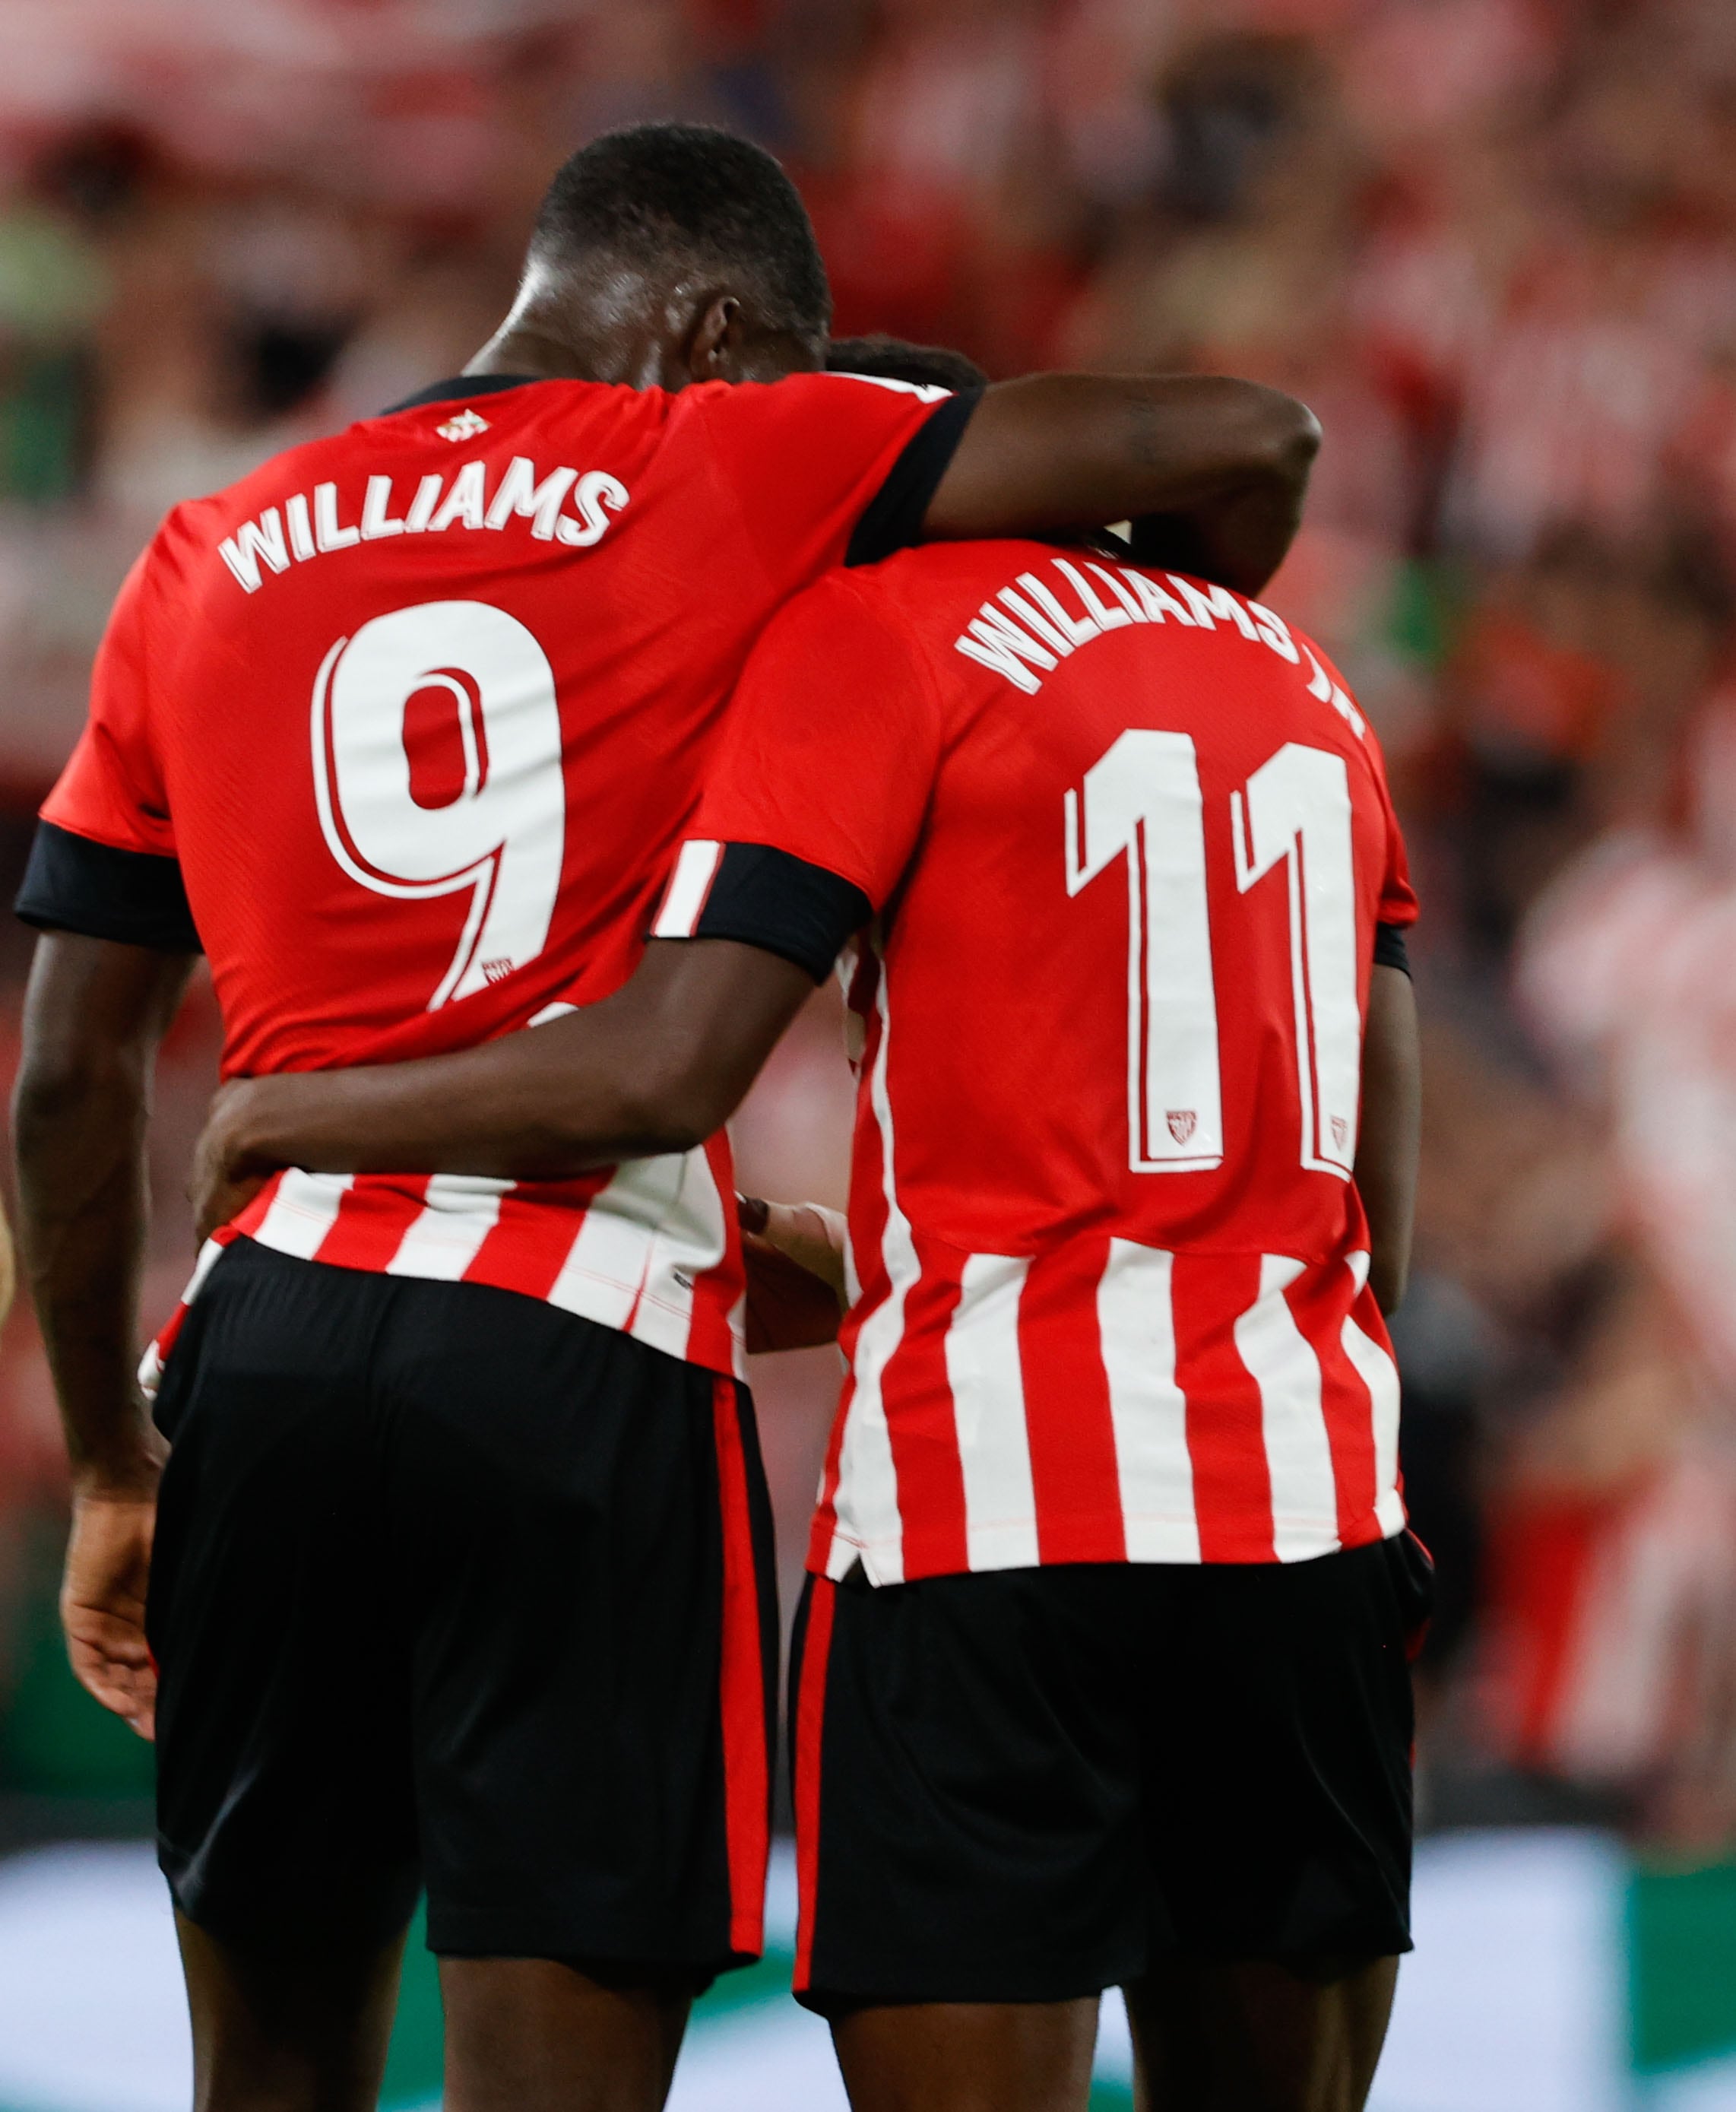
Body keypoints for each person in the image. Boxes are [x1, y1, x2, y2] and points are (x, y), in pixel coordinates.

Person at [10, 126, 1319, 2112]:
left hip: (256, 1358)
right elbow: (1237, 437)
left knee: (262, 2076)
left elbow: (64, 1077)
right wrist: (1176, 633)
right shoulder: (734, 449)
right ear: (717, 338)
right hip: (578, 1356)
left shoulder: (206, 545)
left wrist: (114, 1459)